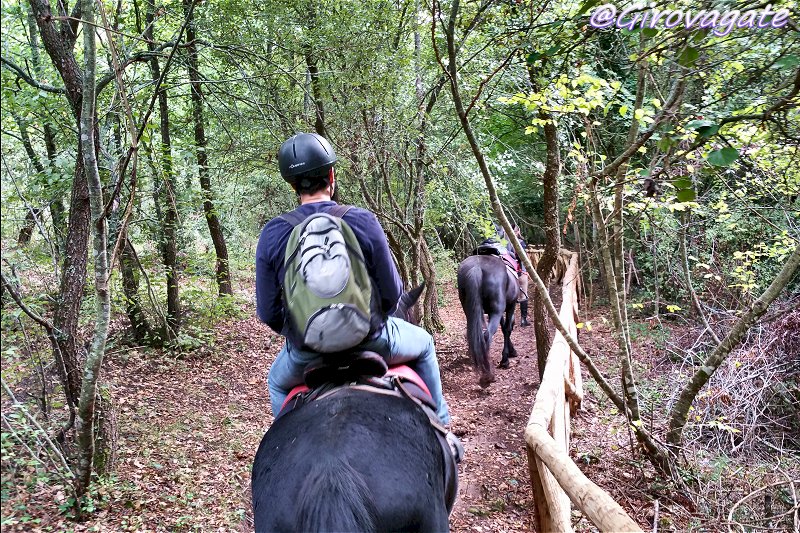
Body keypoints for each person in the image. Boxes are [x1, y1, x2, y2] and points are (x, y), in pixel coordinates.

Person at [255, 132, 450, 425]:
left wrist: (302, 333)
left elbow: (269, 312)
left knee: (276, 383)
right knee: (424, 345)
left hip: (306, 356)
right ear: (331, 175)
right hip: (372, 342)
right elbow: (391, 293)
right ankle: (443, 428)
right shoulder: (361, 219)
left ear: (292, 184)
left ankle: (286, 440)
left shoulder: (274, 233)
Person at [511, 225, 530, 327]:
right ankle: (523, 319)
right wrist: (524, 271)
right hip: (519, 271)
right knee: (524, 295)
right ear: (518, 232)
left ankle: (511, 317)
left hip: (508, 271)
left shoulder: (504, 244)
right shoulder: (521, 243)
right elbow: (524, 258)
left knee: (509, 295)